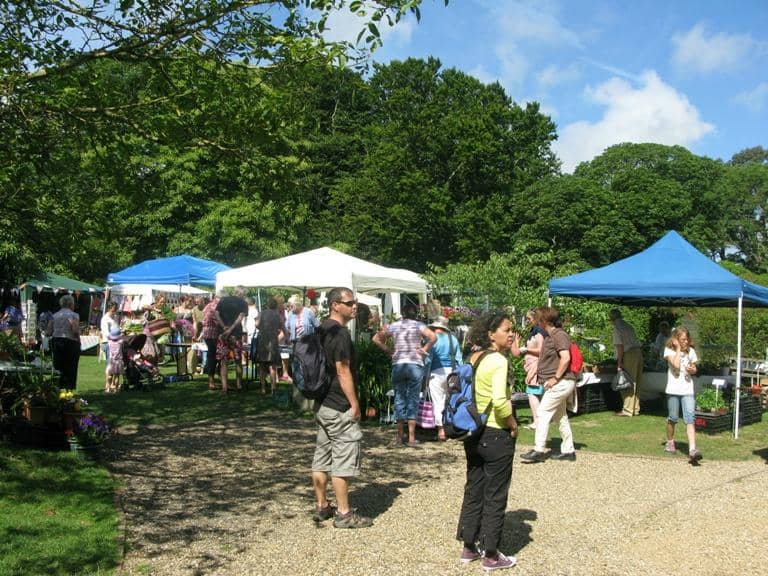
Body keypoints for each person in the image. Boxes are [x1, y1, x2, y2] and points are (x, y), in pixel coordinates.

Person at [456, 311, 518, 571]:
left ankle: (469, 546)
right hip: (495, 433)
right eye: (506, 329)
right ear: (491, 334)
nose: (512, 333)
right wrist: (514, 425)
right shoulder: (498, 360)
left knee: (474, 489)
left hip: (473, 432)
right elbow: (501, 403)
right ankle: (491, 555)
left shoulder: (473, 356)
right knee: (495, 495)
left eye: (512, 329)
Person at [311, 287, 372, 529]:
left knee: (321, 458)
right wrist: (355, 403)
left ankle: (322, 506)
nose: (354, 306)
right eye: (349, 303)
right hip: (338, 405)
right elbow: (342, 369)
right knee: (343, 459)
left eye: (355, 302)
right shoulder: (341, 334)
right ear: (335, 305)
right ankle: (344, 514)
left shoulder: (321, 329)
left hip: (322, 403)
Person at [373, 303, 436, 447]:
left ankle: (400, 438)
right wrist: (424, 348)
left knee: (399, 398)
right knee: (413, 399)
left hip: (399, 364)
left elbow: (376, 339)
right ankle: (412, 438)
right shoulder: (419, 325)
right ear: (416, 313)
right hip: (415, 364)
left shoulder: (394, 325)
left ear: (402, 313)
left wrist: (388, 350)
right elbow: (433, 337)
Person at [520, 306, 577, 463]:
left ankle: (538, 450)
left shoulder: (559, 335)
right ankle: (569, 450)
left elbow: (565, 358)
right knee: (560, 416)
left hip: (561, 382)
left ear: (545, 320)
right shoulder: (552, 335)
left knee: (543, 413)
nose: (537, 321)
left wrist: (555, 378)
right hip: (558, 383)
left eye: (539, 318)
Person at [663, 327, 702, 464]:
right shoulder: (669, 351)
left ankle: (692, 450)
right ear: (676, 340)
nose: (686, 342)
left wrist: (693, 369)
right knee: (673, 418)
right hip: (673, 390)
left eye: (687, 339)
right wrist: (678, 349)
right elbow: (676, 364)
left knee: (690, 418)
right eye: (682, 340)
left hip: (687, 390)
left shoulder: (691, 351)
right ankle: (670, 442)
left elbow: (694, 368)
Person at [426, 316, 462, 441]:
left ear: (435, 328)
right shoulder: (453, 339)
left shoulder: (432, 340)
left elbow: (428, 359)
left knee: (438, 401)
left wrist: (424, 375)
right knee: (450, 401)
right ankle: (451, 426)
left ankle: (441, 430)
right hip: (451, 372)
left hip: (435, 372)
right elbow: (459, 359)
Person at [511, 309, 547, 430]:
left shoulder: (540, 331)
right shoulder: (532, 332)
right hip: (530, 365)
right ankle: (538, 420)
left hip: (536, 366)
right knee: (532, 393)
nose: (527, 321)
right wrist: (516, 343)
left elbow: (541, 350)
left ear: (536, 318)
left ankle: (538, 421)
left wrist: (526, 350)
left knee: (533, 393)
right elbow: (516, 353)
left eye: (529, 318)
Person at [609, 308, 643, 417]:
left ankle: (627, 410)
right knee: (637, 381)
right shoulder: (628, 325)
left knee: (627, 381)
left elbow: (620, 347)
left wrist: (619, 363)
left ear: (611, 318)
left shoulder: (617, 328)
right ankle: (635, 409)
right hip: (638, 353)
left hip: (629, 354)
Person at [215, 287, 248, 393]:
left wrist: (223, 326)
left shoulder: (223, 300)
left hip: (222, 334)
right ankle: (239, 385)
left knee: (223, 361)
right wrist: (231, 329)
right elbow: (240, 317)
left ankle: (224, 387)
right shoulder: (243, 303)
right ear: (242, 294)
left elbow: (216, 314)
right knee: (238, 360)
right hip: (236, 334)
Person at [47, 294, 81, 390]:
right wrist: (79, 340)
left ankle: (57, 388)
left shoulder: (54, 315)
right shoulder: (74, 315)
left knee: (57, 366)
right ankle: (68, 389)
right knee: (71, 367)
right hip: (70, 342)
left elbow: (48, 332)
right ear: (71, 304)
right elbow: (75, 331)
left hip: (56, 341)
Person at [256, 297, 284, 395]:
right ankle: (273, 388)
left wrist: (261, 326)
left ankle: (263, 388)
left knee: (262, 366)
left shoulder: (261, 313)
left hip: (263, 340)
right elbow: (282, 327)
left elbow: (257, 325)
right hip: (273, 341)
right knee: (273, 366)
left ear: (267, 304)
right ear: (276, 305)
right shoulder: (278, 315)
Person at [200, 294, 221, 391]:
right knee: (214, 357)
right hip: (213, 334)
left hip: (207, 334)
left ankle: (213, 380)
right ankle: (212, 381)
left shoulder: (208, 305)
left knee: (212, 356)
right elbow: (217, 321)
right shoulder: (215, 306)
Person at [105, 327, 124, 393]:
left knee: (110, 375)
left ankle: (108, 388)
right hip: (118, 361)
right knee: (117, 376)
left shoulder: (109, 342)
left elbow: (108, 337)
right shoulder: (120, 342)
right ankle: (115, 389)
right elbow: (122, 338)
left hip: (111, 361)